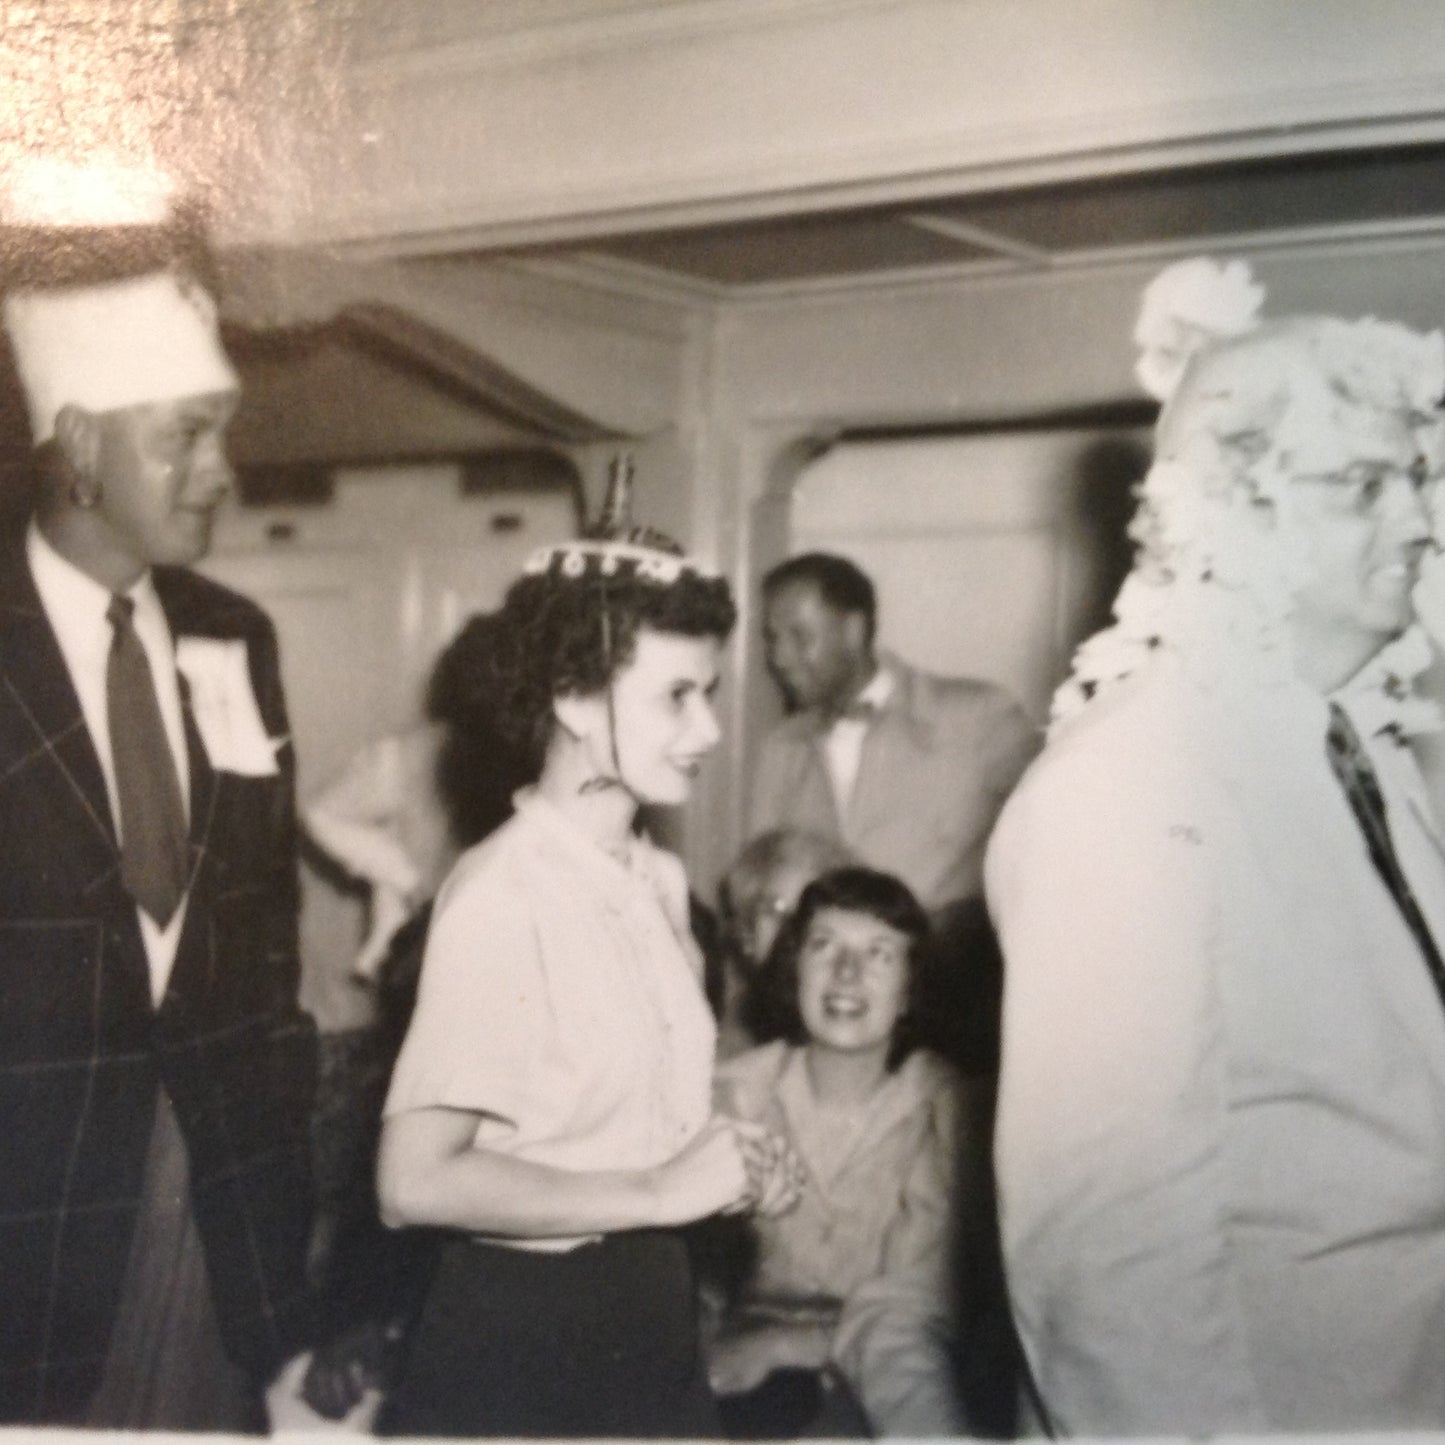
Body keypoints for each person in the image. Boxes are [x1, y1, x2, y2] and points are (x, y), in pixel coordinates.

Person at [987, 258, 1445, 1434]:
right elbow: (1105, 1266)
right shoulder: (1128, 787)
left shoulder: (1358, 748)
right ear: (1228, 515)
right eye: (1361, 485)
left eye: (1415, 477)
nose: (1418, 518)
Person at [373, 472, 800, 1438]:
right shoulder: (501, 893)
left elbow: (618, 1117)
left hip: (650, 1305)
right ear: (571, 695)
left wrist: (724, 1162)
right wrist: (659, 1188)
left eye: (712, 692)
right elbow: (411, 1183)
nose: (711, 729)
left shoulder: (652, 881)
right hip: (521, 1338)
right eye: (677, 695)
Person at [0, 163, 315, 1427]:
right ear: (76, 443)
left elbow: (265, 936)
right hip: (28, 1230)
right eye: (184, 432)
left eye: (221, 429)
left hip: (219, 1211)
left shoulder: (235, 634)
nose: (223, 468)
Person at [706, 866, 969, 1438]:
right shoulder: (735, 1095)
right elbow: (694, 1285)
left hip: (886, 1382)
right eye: (824, 946)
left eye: (879, 954)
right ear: (794, 966)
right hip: (739, 1384)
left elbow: (925, 1312)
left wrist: (785, 1345)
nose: (847, 973)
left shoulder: (946, 1112)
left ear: (909, 991)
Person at [750, 551, 1037, 1069]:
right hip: (834, 1025)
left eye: (799, 635)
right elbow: (759, 894)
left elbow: (1053, 856)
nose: (781, 658)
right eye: (772, 639)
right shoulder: (779, 751)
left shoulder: (979, 717)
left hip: (954, 1018)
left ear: (855, 630)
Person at [713, 826, 853, 1059]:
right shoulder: (722, 1037)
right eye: (774, 909)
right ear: (747, 932)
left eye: (807, 910)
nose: (791, 926)